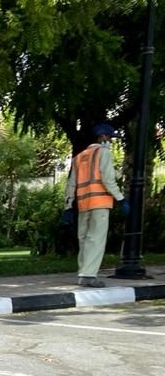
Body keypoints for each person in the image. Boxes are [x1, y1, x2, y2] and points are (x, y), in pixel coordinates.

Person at [64, 123, 129, 288]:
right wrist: (121, 199)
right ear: (103, 137)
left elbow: (71, 184)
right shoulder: (103, 153)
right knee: (96, 239)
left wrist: (68, 205)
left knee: (84, 239)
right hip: (100, 202)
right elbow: (107, 179)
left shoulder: (78, 157)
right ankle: (88, 275)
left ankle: (83, 273)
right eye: (110, 138)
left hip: (83, 203)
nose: (111, 141)